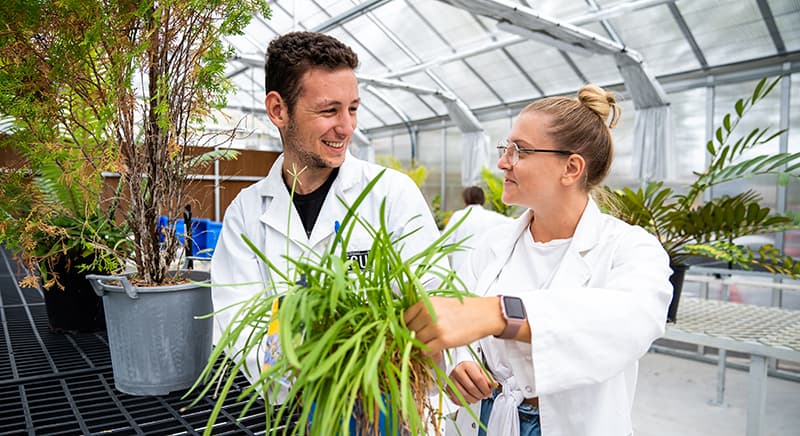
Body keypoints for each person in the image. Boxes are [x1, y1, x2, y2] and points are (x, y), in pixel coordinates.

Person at [404, 85, 673, 436]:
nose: (503, 162)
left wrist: (501, 314)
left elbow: (629, 322)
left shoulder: (630, 248)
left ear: (571, 168)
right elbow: (464, 323)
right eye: (506, 148)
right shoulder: (492, 244)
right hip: (486, 416)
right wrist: (461, 360)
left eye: (520, 151)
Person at [211, 31, 442, 399]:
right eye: (329, 110)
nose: (347, 126)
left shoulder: (392, 194)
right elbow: (237, 323)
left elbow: (434, 297)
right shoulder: (247, 212)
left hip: (385, 407)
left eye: (352, 108)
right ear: (278, 110)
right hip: (287, 410)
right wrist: (310, 373)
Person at [443, 186, 512, 270]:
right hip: (484, 266)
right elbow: (514, 223)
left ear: (465, 199)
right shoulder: (492, 216)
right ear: (483, 199)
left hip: (461, 267)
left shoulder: (458, 216)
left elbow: (445, 242)